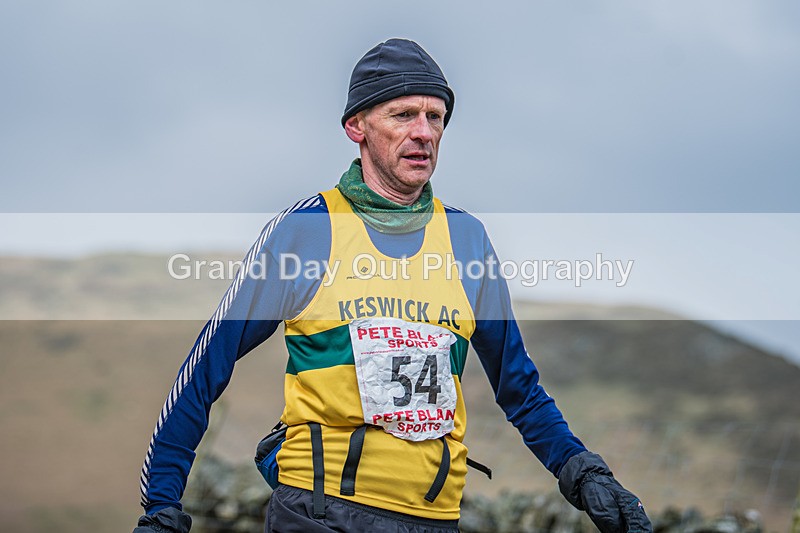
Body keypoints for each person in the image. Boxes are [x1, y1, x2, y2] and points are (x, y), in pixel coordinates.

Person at [134, 38, 652, 533]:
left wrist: (585, 472)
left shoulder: (467, 240)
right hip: (319, 514)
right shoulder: (308, 231)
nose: (423, 132)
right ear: (356, 126)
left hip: (434, 519)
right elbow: (205, 369)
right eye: (403, 115)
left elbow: (520, 389)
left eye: (435, 117)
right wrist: (162, 505)